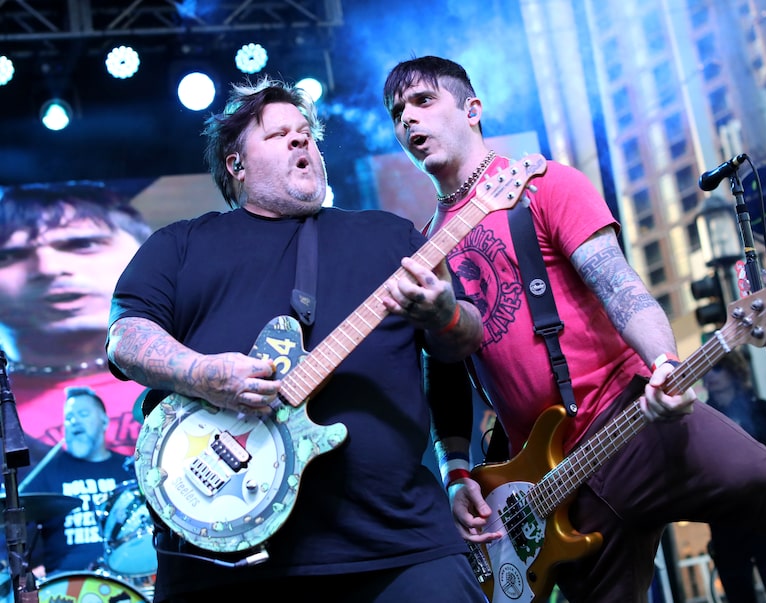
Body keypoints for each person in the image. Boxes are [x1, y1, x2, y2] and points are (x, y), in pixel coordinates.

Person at [382, 55, 766, 602]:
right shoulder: (430, 248)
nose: (408, 119)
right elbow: (447, 375)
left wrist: (665, 363)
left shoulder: (544, 187)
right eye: (397, 112)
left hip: (638, 420)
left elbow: (622, 288)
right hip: (554, 487)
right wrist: (456, 474)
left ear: (473, 110)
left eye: (423, 101)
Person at [105, 75, 487, 603]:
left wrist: (445, 314)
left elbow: (461, 345)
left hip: (399, 544)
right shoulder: (181, 244)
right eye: (278, 133)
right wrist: (204, 374)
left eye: (306, 132)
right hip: (223, 560)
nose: (300, 139)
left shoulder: (391, 236)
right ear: (236, 165)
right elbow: (126, 335)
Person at [0, 181, 153, 456]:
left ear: (147, 250)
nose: (48, 268)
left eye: (82, 244)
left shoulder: (200, 367)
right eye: (10, 255)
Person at [702, 352, 766, 603]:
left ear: (733, 372)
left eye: (718, 369)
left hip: (764, 511)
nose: (710, 377)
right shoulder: (702, 418)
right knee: (739, 592)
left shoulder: (760, 407)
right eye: (707, 371)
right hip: (726, 516)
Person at [20, 386, 134, 576]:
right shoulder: (47, 473)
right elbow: (17, 522)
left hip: (125, 579)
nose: (74, 422)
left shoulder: (128, 469)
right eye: (69, 418)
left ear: (104, 421)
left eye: (83, 414)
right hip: (66, 586)